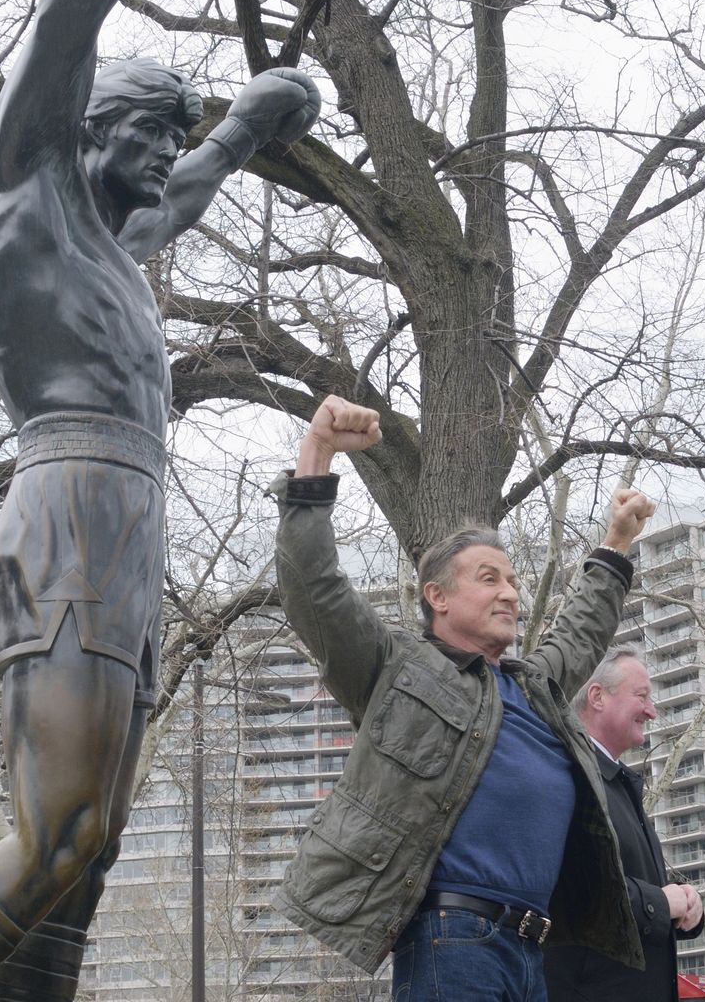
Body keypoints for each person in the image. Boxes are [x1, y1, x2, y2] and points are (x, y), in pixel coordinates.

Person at [0, 0, 318, 998]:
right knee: (57, 827)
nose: (165, 155)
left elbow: (193, 184)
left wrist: (250, 117)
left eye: (172, 137)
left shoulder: (111, 243)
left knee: (93, 845)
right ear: (86, 123)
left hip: (124, 522)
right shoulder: (30, 184)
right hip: (69, 507)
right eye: (149, 131)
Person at [270, 395, 654, 1001]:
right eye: (489, 578)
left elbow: (580, 631)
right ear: (437, 597)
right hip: (453, 944)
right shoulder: (396, 669)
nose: (510, 594)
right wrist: (317, 452)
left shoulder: (535, 689)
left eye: (513, 581)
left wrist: (616, 542)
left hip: (532, 953)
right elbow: (311, 587)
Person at [544, 646, 704, 1001]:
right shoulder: (569, 776)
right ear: (597, 696)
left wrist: (687, 904)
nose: (652, 711)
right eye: (642, 696)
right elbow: (577, 888)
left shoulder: (616, 784)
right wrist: (662, 904)